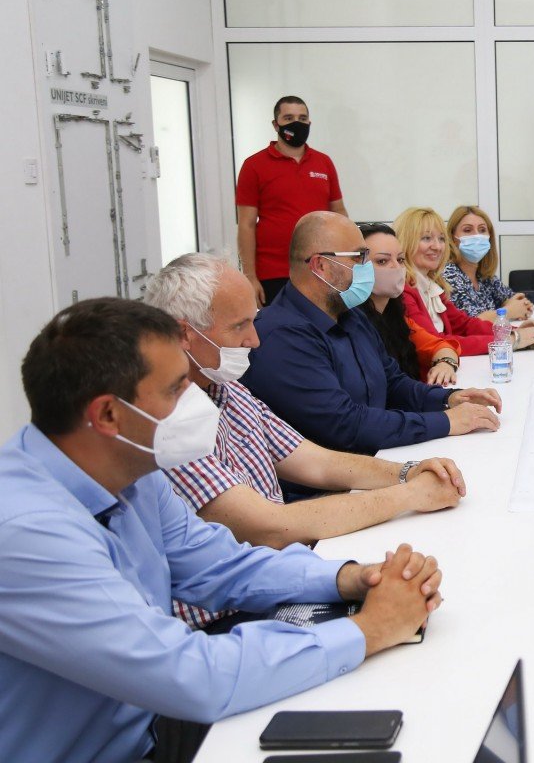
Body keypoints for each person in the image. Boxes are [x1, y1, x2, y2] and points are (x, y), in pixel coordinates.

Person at [0, 297, 443, 763]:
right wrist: (369, 629)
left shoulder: (129, 468)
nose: (194, 400)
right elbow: (192, 676)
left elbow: (221, 565)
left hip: (152, 720)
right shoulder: (27, 534)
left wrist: (350, 578)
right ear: (109, 415)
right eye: (176, 389)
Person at [145, 253, 466, 630]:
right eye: (239, 326)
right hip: (228, 617)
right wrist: (411, 495)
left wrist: (407, 472)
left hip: (276, 578)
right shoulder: (169, 425)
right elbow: (269, 527)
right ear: (184, 334)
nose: (254, 340)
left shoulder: (227, 388)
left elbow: (314, 461)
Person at [242, 211, 502, 458]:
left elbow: (394, 383)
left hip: (377, 458)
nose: (366, 267)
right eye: (359, 257)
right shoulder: (282, 336)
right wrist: (445, 421)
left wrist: (449, 398)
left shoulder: (351, 315)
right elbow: (345, 424)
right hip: (335, 480)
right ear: (321, 265)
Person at [236, 95, 348, 307]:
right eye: (288, 118)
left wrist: (347, 260)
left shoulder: (324, 162)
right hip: (274, 273)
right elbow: (246, 224)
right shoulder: (253, 166)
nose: (297, 123)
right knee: (280, 327)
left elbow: (339, 212)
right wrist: (249, 277)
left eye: (302, 118)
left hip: (322, 269)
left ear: (309, 123)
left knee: (322, 325)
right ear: (275, 124)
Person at [396, 206, 534, 355]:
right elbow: (437, 343)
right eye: (426, 238)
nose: (437, 246)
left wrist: (513, 331)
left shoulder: (432, 285)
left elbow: (464, 325)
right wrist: (510, 339)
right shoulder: (402, 290)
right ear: (406, 241)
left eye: (441, 239)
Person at [359, 223, 462, 386]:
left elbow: (440, 346)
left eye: (400, 260)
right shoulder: (352, 324)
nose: (396, 267)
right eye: (382, 261)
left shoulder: (397, 318)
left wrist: (445, 364)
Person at [443, 205, 534, 321]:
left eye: (482, 230)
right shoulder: (449, 275)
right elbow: (470, 323)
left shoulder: (484, 276)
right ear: (452, 238)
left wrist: (519, 306)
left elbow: (514, 299)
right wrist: (509, 311)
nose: (477, 235)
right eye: (467, 230)